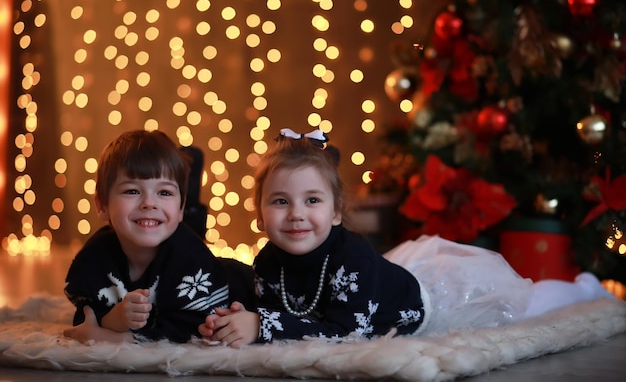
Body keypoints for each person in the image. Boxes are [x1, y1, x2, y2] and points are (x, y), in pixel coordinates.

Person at [199, 128, 614, 348]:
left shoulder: (352, 259)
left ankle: (581, 290)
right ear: (259, 215)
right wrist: (236, 319)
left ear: (337, 211)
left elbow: (346, 334)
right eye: (279, 201)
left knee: (523, 302)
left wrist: (263, 327)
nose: (296, 215)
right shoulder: (268, 262)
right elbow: (284, 312)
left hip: (435, 300)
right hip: (385, 281)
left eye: (312, 200)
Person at [63, 129, 254, 344]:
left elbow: (192, 329)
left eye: (164, 193)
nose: (148, 203)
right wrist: (113, 319)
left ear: (180, 208)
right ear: (102, 205)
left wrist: (117, 338)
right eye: (132, 191)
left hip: (254, 289)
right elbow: (86, 314)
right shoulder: (94, 257)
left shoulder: (190, 257)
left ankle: (192, 195)